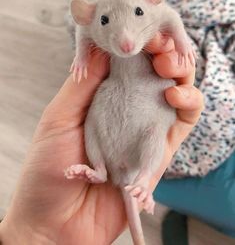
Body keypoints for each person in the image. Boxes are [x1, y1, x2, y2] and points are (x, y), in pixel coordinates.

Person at [0, 33, 203, 245]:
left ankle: (141, 177)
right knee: (94, 119)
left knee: (156, 131)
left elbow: (169, 22)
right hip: (114, 129)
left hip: (144, 124)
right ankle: (101, 170)